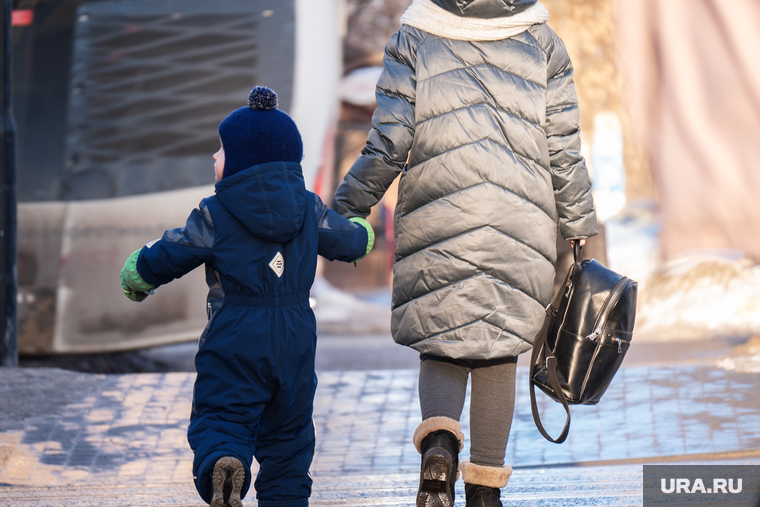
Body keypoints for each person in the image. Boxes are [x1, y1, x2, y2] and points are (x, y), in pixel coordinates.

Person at [331, 1, 597, 506]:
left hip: (438, 211)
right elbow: (562, 146)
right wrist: (580, 226)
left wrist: (347, 208)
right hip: (519, 218)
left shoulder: (414, 37)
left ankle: (437, 444)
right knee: (498, 352)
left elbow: (389, 141)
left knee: (441, 340)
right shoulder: (542, 42)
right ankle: (484, 492)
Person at [119, 87, 374, 507]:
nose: (215, 159)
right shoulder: (309, 209)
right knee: (289, 440)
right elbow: (347, 240)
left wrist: (138, 274)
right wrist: (364, 234)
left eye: (220, 151)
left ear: (241, 161)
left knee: (222, 416)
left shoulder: (215, 214)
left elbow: (173, 251)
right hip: (294, 338)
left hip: (235, 334)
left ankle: (224, 461)